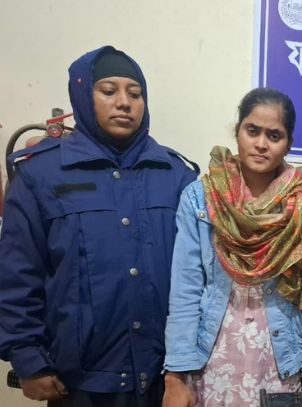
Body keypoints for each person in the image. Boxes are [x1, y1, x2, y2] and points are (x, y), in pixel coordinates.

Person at [0, 46, 199, 406]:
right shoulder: (41, 175)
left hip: (165, 381)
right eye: (108, 91)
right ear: (82, 96)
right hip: (79, 384)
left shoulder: (176, 175)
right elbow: (17, 273)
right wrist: (27, 358)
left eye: (135, 94)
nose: (124, 103)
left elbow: (199, 275)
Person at [162, 88, 302, 407]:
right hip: (213, 361)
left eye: (274, 135)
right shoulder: (202, 198)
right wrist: (176, 375)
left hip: (280, 365)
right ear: (238, 132)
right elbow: (185, 290)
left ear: (288, 143)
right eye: (252, 131)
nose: (261, 144)